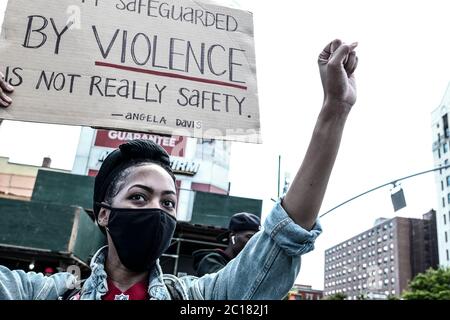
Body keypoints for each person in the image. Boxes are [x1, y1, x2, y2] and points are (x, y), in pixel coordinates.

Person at [0, 39, 358, 300]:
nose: (157, 208)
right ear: (105, 215)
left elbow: (284, 238)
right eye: (139, 197)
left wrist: (335, 108)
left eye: (168, 202)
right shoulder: (39, 292)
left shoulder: (196, 300)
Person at [193, 212, 261, 277]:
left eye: (256, 239)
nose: (254, 242)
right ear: (233, 236)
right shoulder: (211, 261)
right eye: (249, 237)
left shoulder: (247, 265)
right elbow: (224, 284)